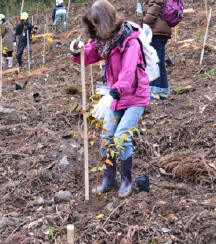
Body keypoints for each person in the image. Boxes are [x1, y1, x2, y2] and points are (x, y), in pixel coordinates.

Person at [70, 0, 149, 197]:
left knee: (121, 136)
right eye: (92, 24)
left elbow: (128, 74)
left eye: (96, 23)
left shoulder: (130, 40)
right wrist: (77, 51)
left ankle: (126, 180)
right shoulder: (104, 41)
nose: (94, 28)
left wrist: (110, 95)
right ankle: (109, 179)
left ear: (105, 20)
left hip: (135, 96)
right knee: (107, 136)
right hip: (116, 97)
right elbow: (88, 56)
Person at [142, 0, 171, 100]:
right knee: (160, 61)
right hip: (161, 30)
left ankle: (154, 92)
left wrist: (145, 22)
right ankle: (163, 91)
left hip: (156, 31)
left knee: (155, 61)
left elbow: (155, 6)